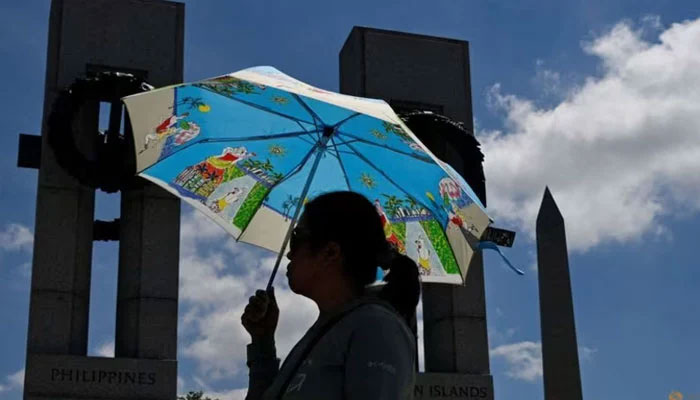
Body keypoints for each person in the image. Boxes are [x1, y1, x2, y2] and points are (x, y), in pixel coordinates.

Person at [241, 191, 421, 400]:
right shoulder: (325, 332)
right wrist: (262, 343)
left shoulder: (375, 327)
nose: (290, 254)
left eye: (296, 239)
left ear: (331, 253)